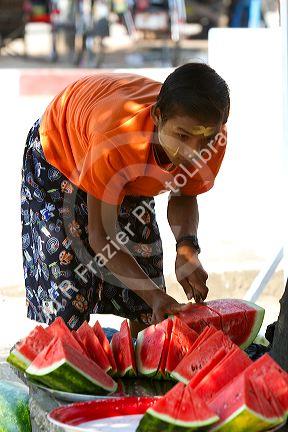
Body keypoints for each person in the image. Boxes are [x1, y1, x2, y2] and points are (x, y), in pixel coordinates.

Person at [21, 63, 230, 335]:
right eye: (182, 136)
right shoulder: (117, 137)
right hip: (62, 152)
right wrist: (154, 296)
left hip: (124, 170)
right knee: (69, 296)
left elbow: (184, 192)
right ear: (157, 116)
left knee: (147, 306)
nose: (194, 153)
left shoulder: (211, 140)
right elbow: (101, 238)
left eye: (205, 139)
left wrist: (187, 248)